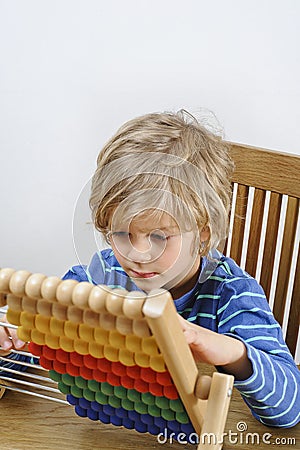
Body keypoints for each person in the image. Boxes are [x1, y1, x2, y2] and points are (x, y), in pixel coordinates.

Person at [0, 110, 299, 428]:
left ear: (204, 233)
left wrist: (225, 350)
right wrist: (10, 345)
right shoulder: (97, 279)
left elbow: (290, 409)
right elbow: (33, 356)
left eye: (158, 236)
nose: (137, 254)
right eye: (121, 233)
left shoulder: (231, 295)